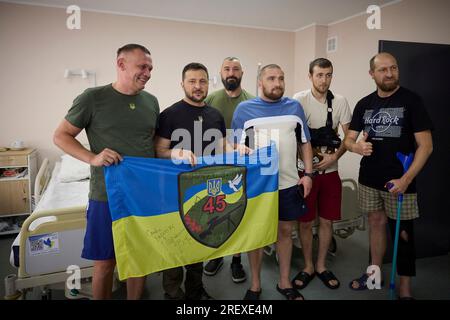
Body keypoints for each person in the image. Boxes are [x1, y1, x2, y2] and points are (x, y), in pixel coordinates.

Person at [53, 44, 159, 299]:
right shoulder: (92, 98)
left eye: (150, 68)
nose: (147, 73)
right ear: (121, 64)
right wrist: (92, 157)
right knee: (104, 262)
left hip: (142, 194)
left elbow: (152, 144)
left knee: (139, 257)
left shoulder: (151, 102)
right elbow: (61, 136)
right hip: (107, 195)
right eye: (142, 67)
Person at [344, 52, 433, 299]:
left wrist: (406, 180)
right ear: (372, 74)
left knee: (403, 234)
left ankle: (405, 288)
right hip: (370, 178)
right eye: (383, 70)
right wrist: (356, 147)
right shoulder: (364, 104)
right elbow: (349, 140)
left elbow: (426, 146)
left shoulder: (411, 101)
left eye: (393, 68)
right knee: (375, 225)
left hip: (400, 181)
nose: (390, 74)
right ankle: (374, 275)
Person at [155, 62, 236, 300]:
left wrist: (236, 148)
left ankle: (195, 290)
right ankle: (172, 292)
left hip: (207, 190)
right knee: (174, 243)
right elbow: (158, 150)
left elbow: (222, 147)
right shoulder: (169, 114)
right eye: (192, 81)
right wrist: (175, 153)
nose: (198, 86)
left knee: (199, 240)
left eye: (202, 81)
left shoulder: (215, 115)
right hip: (174, 190)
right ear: (182, 84)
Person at [232, 64, 313, 300]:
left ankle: (284, 281)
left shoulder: (294, 107)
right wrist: (239, 148)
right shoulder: (244, 109)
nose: (277, 83)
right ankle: (255, 285)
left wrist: (307, 174)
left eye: (281, 78)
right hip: (258, 186)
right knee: (255, 236)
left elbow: (305, 143)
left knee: (285, 232)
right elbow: (234, 145)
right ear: (260, 82)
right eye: (271, 78)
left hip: (289, 183)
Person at [292, 58, 352, 290]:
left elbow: (349, 137)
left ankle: (321, 265)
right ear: (310, 76)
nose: (324, 80)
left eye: (328, 75)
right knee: (305, 223)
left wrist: (334, 157)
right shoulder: (300, 100)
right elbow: (295, 136)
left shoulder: (340, 102)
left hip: (331, 172)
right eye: (319, 75)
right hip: (304, 173)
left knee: (327, 222)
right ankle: (307, 266)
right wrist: (310, 162)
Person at [203, 57, 255, 283]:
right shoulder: (210, 99)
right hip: (214, 165)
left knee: (237, 212)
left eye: (235, 69)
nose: (231, 72)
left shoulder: (252, 101)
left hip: (241, 167)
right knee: (216, 211)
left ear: (242, 72)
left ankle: (236, 260)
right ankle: (218, 255)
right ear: (221, 73)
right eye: (227, 69)